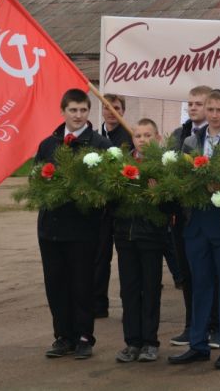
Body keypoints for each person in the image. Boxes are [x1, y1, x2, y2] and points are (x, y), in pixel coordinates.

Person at [168, 89, 220, 370]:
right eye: (209, 109)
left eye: (218, 110)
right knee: (200, 286)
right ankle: (198, 344)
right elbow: (181, 179)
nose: (213, 115)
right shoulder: (190, 142)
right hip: (197, 224)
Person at [36, 88, 112, 359]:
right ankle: (62, 336)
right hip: (51, 229)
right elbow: (36, 182)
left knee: (82, 284)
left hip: (83, 229)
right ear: (63, 111)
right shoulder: (48, 145)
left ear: (88, 112)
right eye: (73, 110)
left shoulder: (100, 146)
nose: (78, 115)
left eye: (83, 110)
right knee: (55, 284)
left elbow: (108, 187)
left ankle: (83, 337)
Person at [114, 118, 169, 363]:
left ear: (157, 138)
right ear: (132, 139)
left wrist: (159, 193)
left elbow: (171, 205)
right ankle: (132, 342)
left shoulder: (163, 166)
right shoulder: (122, 165)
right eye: (139, 136)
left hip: (151, 238)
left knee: (150, 289)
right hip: (126, 237)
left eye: (148, 135)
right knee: (129, 290)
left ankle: (150, 341)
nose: (143, 140)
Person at [168, 85, 214, 347]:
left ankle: (214, 325)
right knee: (187, 273)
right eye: (191, 103)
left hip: (210, 213)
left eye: (199, 103)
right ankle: (191, 325)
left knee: (210, 273)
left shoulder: (219, 134)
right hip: (183, 215)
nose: (193, 107)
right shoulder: (179, 134)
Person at [94, 94, 134, 319]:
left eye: (115, 107)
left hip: (122, 208)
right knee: (99, 257)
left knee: (127, 258)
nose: (111, 112)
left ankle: (131, 304)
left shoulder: (129, 136)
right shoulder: (95, 137)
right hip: (100, 209)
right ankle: (99, 304)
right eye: (107, 107)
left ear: (123, 111)